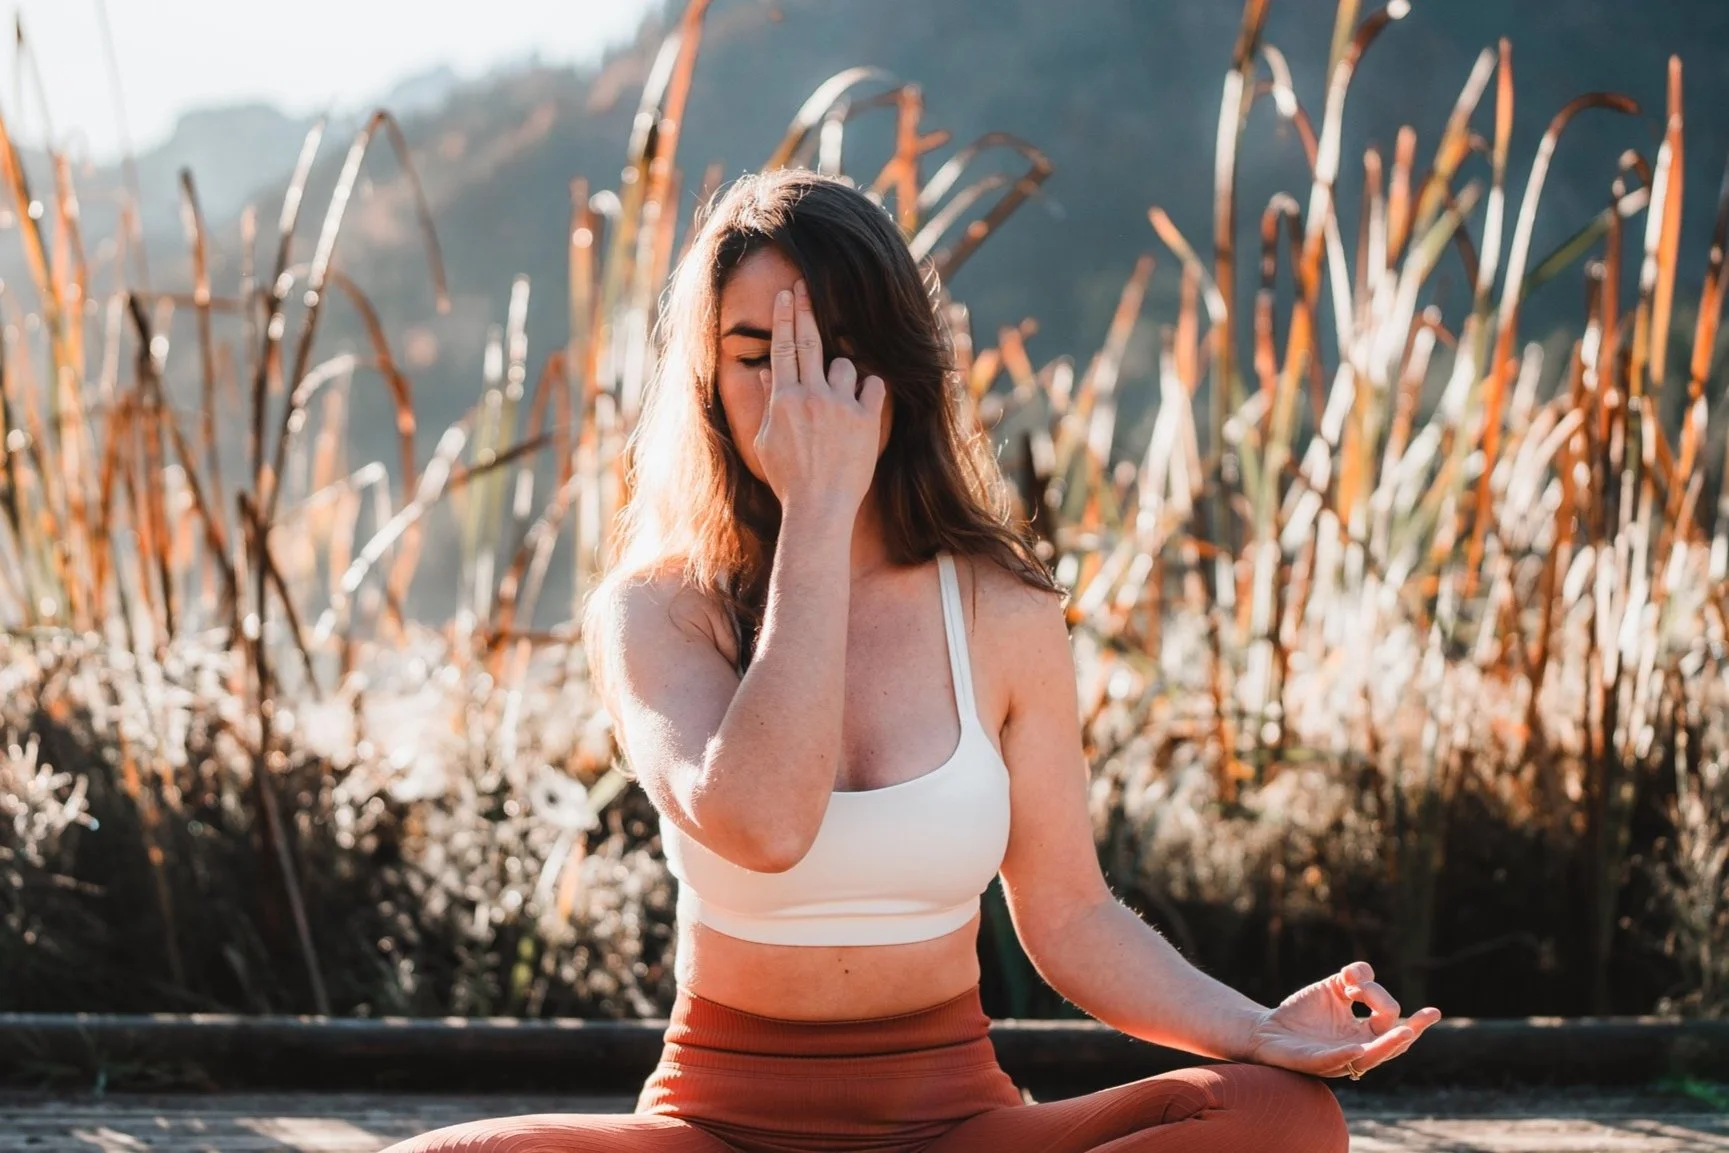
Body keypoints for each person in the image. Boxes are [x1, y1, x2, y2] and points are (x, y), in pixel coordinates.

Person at [379, 168, 1440, 1153]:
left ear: (897, 368)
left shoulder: (1000, 608)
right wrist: (819, 510)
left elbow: (1070, 915)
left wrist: (1259, 1029)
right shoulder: (656, 612)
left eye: (833, 354)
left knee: (1278, 1115)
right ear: (704, 379)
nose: (799, 396)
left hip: (953, 1124)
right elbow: (765, 822)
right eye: (757, 354)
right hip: (715, 1125)